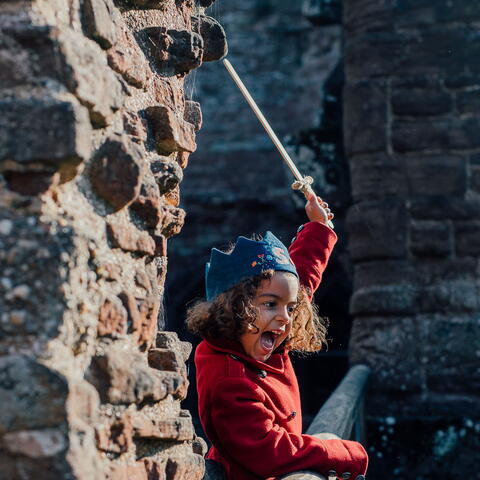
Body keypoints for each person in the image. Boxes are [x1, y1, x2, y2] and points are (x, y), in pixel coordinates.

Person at [187, 194, 368, 480]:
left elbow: (301, 281)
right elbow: (272, 452)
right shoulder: (229, 382)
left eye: (291, 307)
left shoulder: (254, 333)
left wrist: (319, 228)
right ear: (236, 308)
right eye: (271, 304)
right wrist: (346, 454)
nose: (286, 316)